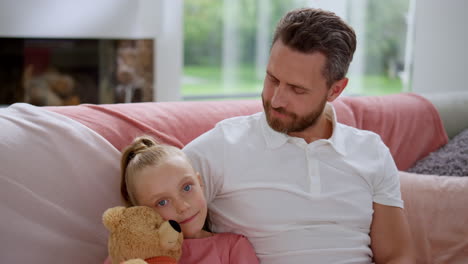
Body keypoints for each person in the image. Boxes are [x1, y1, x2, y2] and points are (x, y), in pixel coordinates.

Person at [183, 8, 415, 264]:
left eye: (297, 89)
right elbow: (143, 208)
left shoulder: (371, 152)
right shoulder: (222, 146)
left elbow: (397, 256)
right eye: (272, 79)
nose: (277, 99)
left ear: (335, 90)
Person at [104, 136, 259, 264]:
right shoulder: (128, 254)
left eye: (186, 188)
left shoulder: (232, 247)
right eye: (162, 202)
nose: (183, 207)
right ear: (141, 212)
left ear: (200, 183)